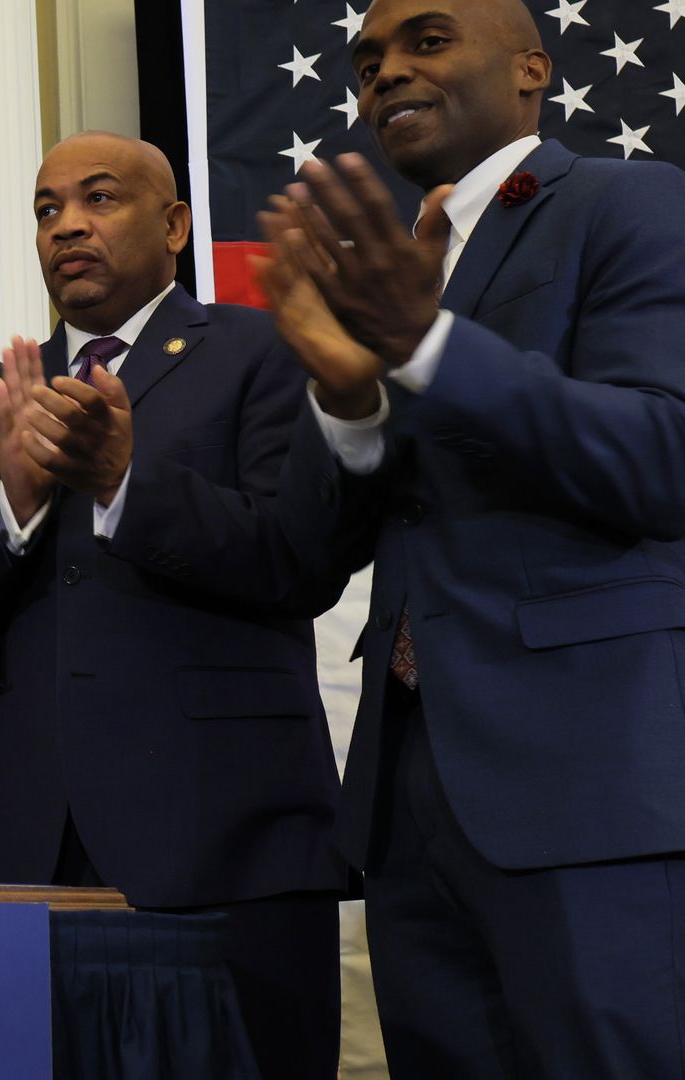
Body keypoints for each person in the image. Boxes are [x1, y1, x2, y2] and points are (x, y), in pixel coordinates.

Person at [258, 0, 685, 1074]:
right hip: (409, 807)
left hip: (590, 794)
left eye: (427, 40)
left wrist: (428, 345)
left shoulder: (630, 205)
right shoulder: (393, 272)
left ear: (532, 68)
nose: (386, 72)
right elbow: (312, 557)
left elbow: (662, 455)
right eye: (367, 60)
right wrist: (349, 399)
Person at [0, 132, 350, 1080]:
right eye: (46, 208)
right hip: (28, 844)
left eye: (99, 199)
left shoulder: (261, 353)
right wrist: (12, 506)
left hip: (230, 842)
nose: (67, 224)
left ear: (176, 225)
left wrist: (125, 483)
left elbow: (302, 557)